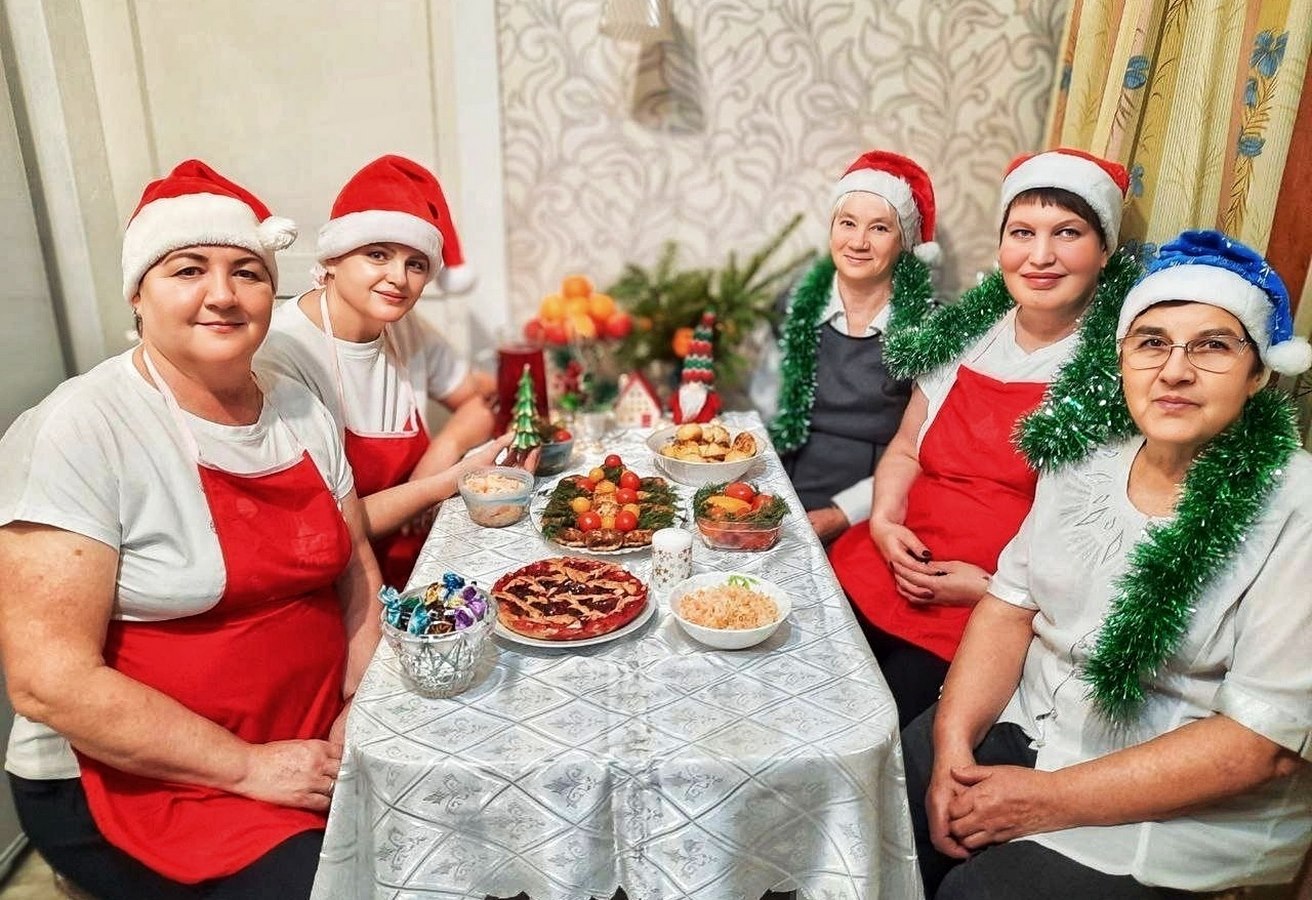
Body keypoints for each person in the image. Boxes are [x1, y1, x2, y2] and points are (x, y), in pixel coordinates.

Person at [0, 161, 381, 899]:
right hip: (150, 783)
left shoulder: (299, 408)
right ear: (137, 294)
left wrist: (357, 705)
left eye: (247, 272)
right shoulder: (81, 428)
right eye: (187, 270)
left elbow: (356, 566)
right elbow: (49, 682)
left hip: (311, 740)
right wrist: (249, 767)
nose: (223, 294)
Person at [903, 229, 1312, 899]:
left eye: (1212, 346)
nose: (1174, 371)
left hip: (1174, 804)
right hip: (1033, 722)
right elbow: (1008, 607)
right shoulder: (1082, 458)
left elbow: (1261, 743)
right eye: (1151, 343)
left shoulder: (1298, 507)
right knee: (893, 793)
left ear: (1260, 372)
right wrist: (952, 742)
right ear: (1122, 360)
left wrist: (1044, 800)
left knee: (979, 893)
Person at [828, 149, 1139, 727]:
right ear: (1001, 246)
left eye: (1067, 233)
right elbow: (906, 447)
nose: (1040, 256)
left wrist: (993, 589)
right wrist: (885, 522)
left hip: (986, 608)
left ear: (1104, 251)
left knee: (866, 724)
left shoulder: (1115, 369)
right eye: (1022, 233)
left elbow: (1098, 537)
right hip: (887, 563)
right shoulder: (968, 334)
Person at [257, 155, 504, 589]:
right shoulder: (281, 352)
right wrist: (439, 484)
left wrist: (441, 451)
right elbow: (330, 524)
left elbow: (479, 401)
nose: (399, 278)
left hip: (416, 554)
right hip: (338, 581)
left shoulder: (403, 327)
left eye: (415, 264)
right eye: (377, 255)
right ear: (332, 259)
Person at [751, 150, 939, 543]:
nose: (858, 242)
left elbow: (922, 450)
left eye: (879, 228)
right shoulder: (793, 305)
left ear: (904, 242)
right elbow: (765, 409)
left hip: (875, 501)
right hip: (783, 478)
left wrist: (842, 513)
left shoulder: (928, 328)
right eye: (848, 223)